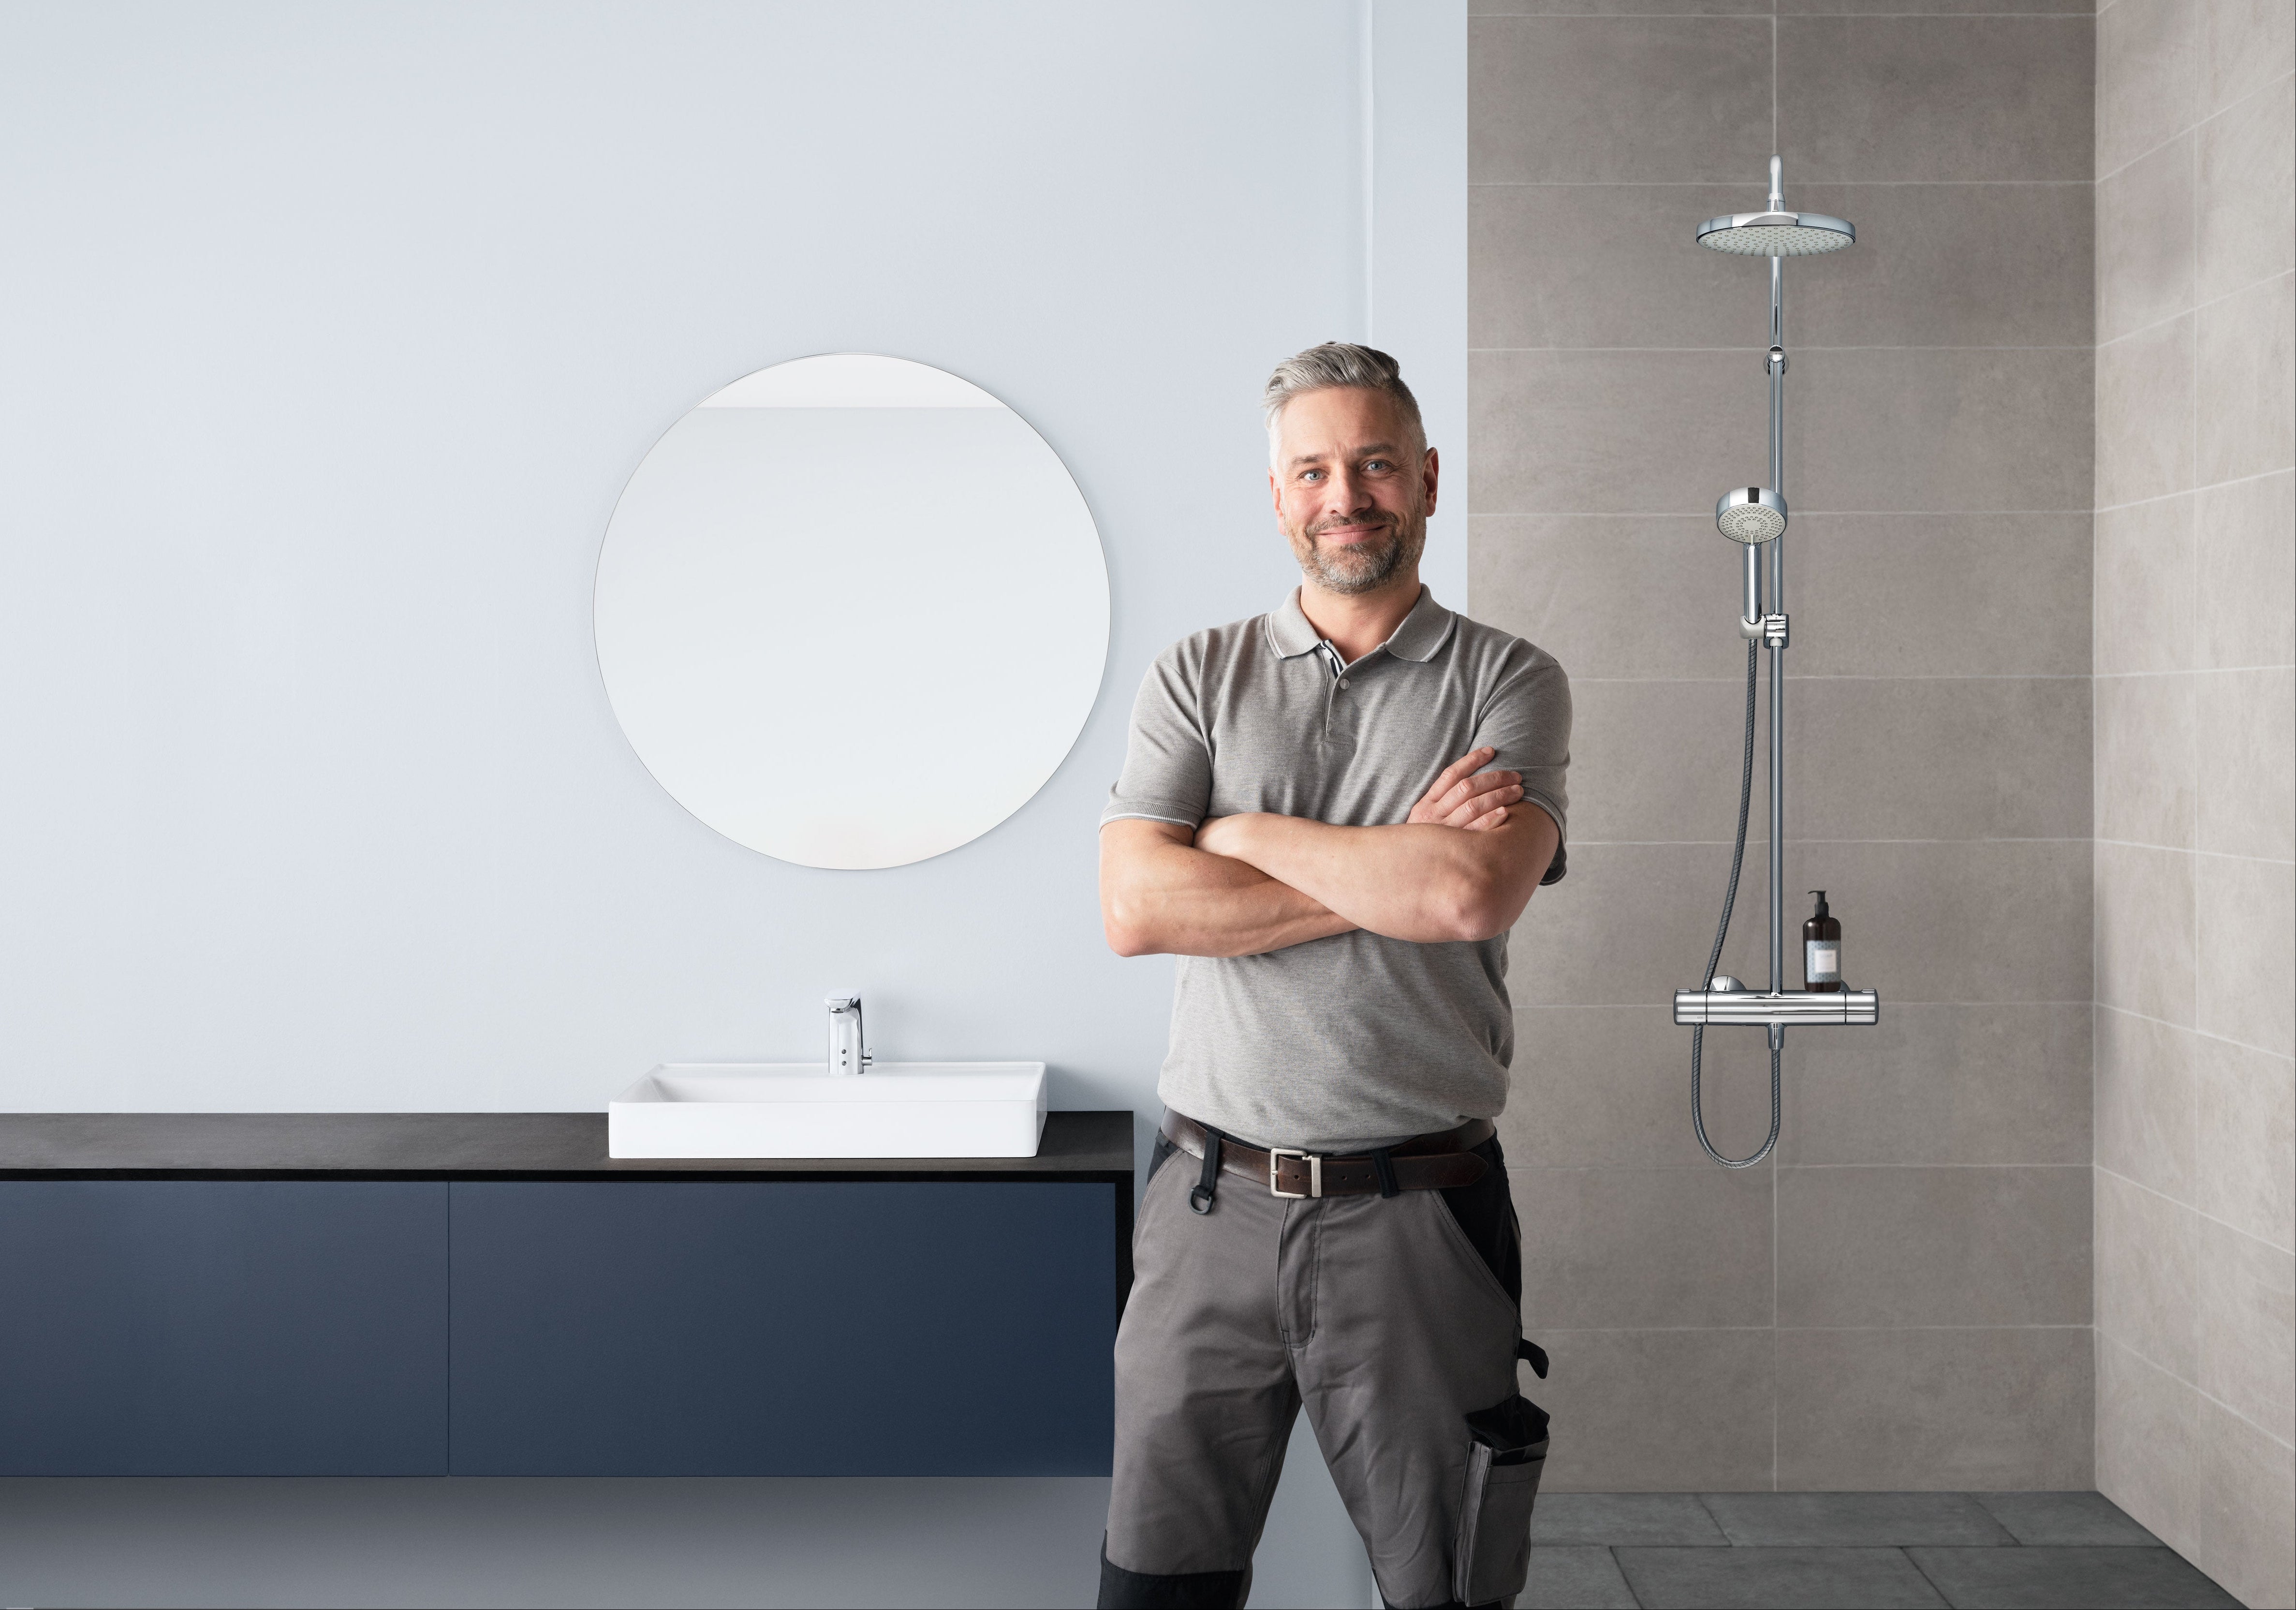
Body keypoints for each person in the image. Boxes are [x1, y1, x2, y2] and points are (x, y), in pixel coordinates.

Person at [1095, 342, 1571, 1610]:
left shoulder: (1508, 679)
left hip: (1419, 1214)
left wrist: (1236, 837)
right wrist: (1387, 871)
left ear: (1424, 479)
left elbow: (1465, 892)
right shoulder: (1195, 676)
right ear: (1275, 495)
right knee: (1156, 1590)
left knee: (1445, 1589)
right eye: (1311, 469)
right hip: (1208, 1212)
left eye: (1371, 464)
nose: (1343, 494)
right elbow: (1137, 909)